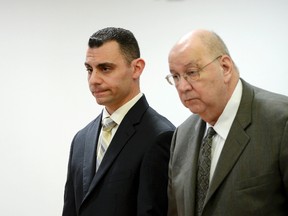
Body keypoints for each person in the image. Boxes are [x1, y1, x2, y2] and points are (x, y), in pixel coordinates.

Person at [166, 29, 288, 216]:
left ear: (225, 67)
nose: (182, 86)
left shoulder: (280, 121)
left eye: (191, 72)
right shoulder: (182, 135)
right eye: (175, 77)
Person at [62, 27, 175, 216]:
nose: (93, 80)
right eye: (89, 69)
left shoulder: (160, 136)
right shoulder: (81, 139)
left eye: (105, 68)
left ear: (136, 68)